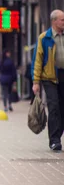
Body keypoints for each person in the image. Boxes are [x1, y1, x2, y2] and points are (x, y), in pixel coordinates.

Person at [32, 9, 64, 152]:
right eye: (62, 20)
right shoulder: (44, 38)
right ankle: (54, 140)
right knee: (54, 107)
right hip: (49, 78)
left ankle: (58, 134)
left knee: (62, 109)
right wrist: (35, 82)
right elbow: (37, 61)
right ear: (54, 21)